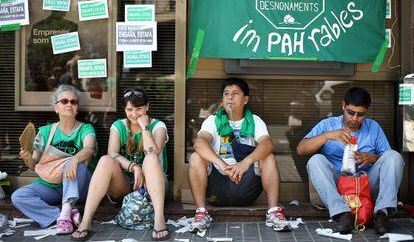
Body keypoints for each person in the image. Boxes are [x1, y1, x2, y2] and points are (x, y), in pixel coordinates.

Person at [297, 87, 404, 235]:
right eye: (350, 112)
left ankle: (381, 214)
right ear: (343, 106)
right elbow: (301, 149)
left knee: (394, 156)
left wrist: (373, 158)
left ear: (366, 111)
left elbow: (388, 161)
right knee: (315, 160)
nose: (354, 119)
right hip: (337, 187)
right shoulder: (328, 125)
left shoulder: (373, 127)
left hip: (365, 186)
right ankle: (342, 214)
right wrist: (327, 136)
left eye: (360, 115)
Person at [188, 77, 290, 232]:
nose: (230, 97)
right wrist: (222, 164)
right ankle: (201, 213)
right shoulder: (213, 120)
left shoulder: (254, 120)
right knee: (196, 157)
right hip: (217, 187)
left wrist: (245, 163)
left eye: (235, 93)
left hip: (245, 185)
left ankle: (273, 212)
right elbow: (199, 143)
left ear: (245, 100)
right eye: (226, 93)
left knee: (267, 156)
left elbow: (267, 144)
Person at [72, 88, 170, 241]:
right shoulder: (119, 126)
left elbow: (153, 152)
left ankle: (159, 218)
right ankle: (86, 220)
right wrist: (134, 166)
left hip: (153, 185)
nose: (134, 114)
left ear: (147, 107)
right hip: (125, 183)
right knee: (105, 160)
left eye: (139, 109)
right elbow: (112, 153)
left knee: (150, 159)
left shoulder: (158, 126)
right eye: (130, 109)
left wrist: (145, 128)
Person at [12, 85, 97, 234]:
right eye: (64, 101)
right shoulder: (45, 132)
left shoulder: (86, 129)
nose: (69, 104)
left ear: (77, 108)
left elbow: (89, 149)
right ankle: (62, 216)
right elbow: (35, 165)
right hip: (50, 184)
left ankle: (66, 209)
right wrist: (27, 158)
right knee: (18, 196)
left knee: (78, 164)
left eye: (73, 102)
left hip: (79, 184)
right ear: (56, 108)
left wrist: (74, 160)